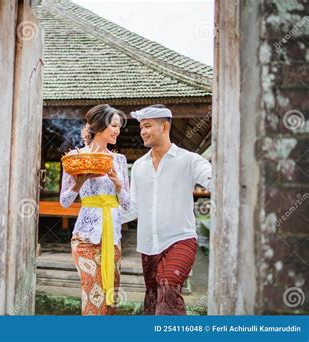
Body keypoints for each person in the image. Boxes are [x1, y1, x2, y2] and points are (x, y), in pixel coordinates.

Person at [122, 104, 211, 315]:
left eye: (147, 126)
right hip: (148, 245)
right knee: (153, 299)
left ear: (164, 126)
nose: (142, 131)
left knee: (168, 283)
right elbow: (135, 206)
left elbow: (212, 177)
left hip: (181, 239)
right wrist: (104, 218)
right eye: (141, 127)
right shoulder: (139, 167)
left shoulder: (189, 160)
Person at [60, 104, 130, 315]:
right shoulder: (75, 158)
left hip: (113, 239)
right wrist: (78, 183)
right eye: (114, 125)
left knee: (111, 299)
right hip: (86, 239)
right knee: (93, 296)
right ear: (99, 127)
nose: (118, 130)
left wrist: (119, 186)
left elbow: (127, 204)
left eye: (119, 126)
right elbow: (65, 201)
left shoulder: (119, 160)